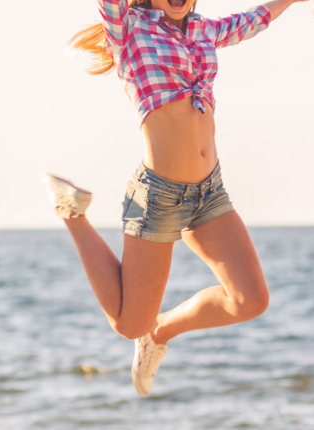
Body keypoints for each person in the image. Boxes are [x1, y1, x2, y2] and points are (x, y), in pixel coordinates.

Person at [44, 0, 306, 396]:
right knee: (128, 323)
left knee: (250, 300)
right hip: (159, 197)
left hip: (210, 192)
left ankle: (162, 331)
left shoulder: (204, 30)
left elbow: (254, 20)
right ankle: (71, 212)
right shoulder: (127, 28)